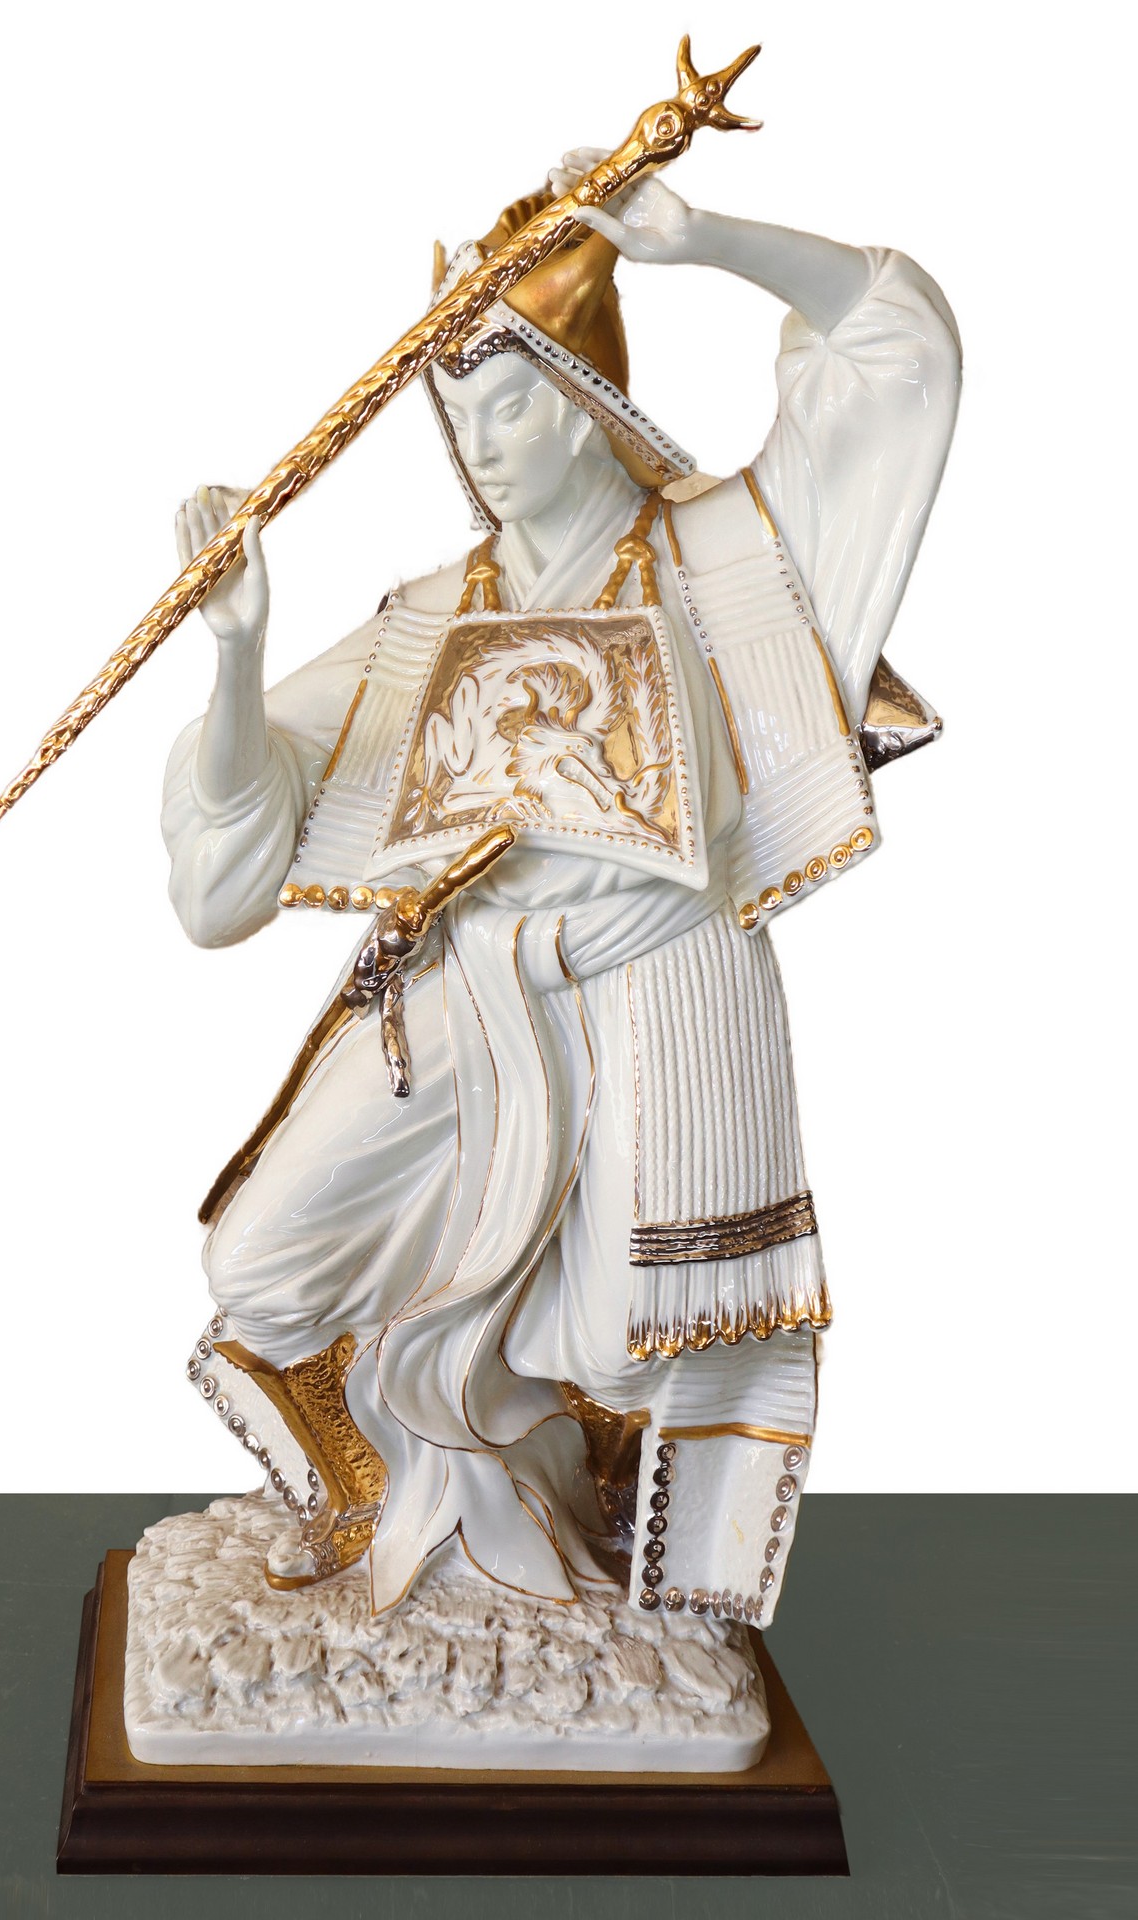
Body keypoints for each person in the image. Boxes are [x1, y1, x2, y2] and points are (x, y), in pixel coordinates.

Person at [161, 152, 961, 1622]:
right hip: (465, 996)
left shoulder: (729, 554)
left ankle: (561, 1548)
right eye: (456, 411)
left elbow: (891, 348)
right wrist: (235, 650)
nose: (482, 446)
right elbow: (232, 849)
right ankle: (414, 1492)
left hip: (657, 983)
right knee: (259, 1261)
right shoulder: (431, 621)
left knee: (625, 1339)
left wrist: (705, 240)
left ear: (591, 398)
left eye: (512, 403)